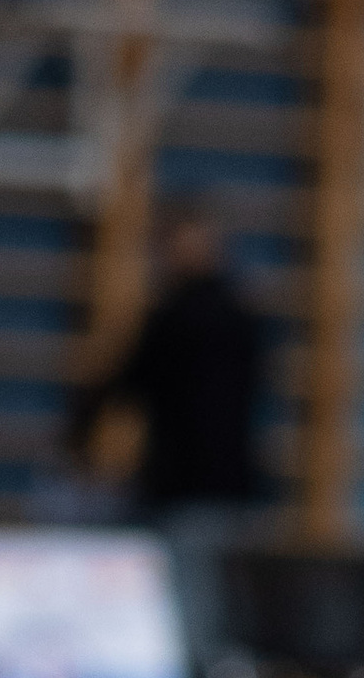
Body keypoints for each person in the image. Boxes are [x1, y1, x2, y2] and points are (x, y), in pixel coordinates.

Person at [67, 213, 267, 515]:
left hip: (181, 483)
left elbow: (125, 382)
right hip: (226, 481)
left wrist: (78, 436)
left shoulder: (176, 318)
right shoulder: (240, 315)